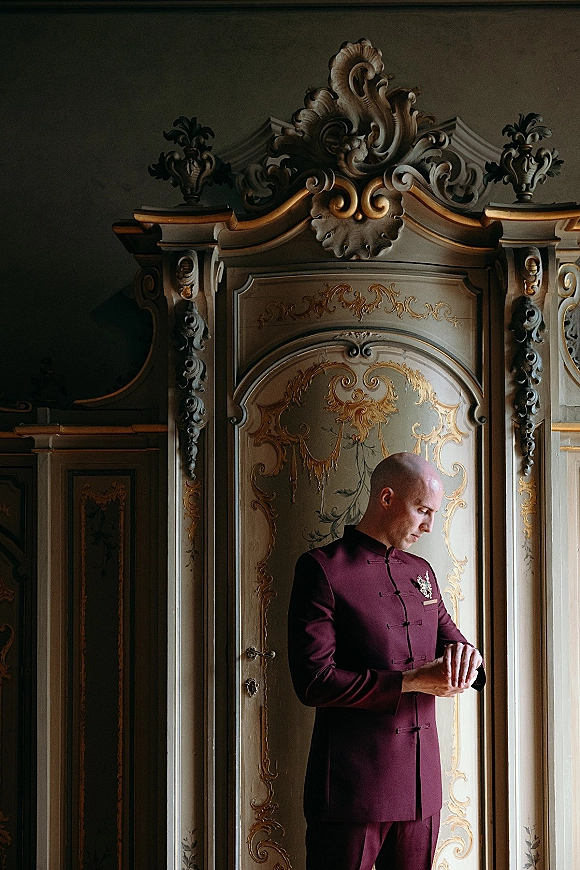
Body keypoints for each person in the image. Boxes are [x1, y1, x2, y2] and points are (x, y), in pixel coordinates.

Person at [287, 452, 484, 870]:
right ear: (387, 498)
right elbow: (314, 681)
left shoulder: (423, 572)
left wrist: (472, 659)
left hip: (422, 791)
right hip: (350, 790)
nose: (429, 526)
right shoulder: (322, 569)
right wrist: (411, 681)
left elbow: (459, 649)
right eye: (423, 511)